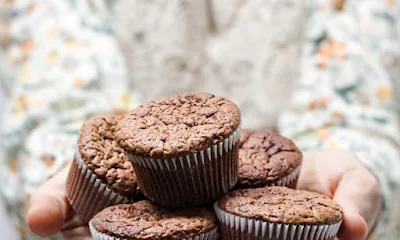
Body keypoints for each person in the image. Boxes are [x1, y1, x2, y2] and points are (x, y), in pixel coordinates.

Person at [0, 0, 399, 239]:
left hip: (296, 185)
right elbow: (55, 93)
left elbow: (359, 96)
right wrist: (67, 170)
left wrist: (354, 158)